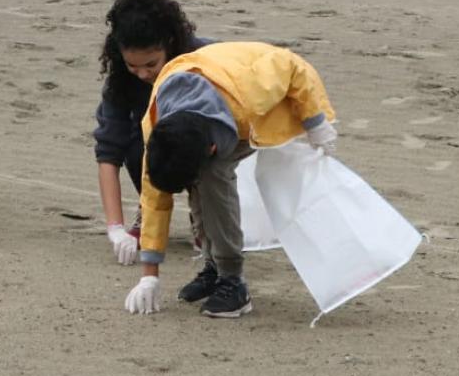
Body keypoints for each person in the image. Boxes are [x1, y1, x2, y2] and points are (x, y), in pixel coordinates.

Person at [122, 42, 339, 319]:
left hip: (265, 103)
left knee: (212, 179)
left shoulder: (252, 92)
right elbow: (154, 199)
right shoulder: (156, 130)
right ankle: (213, 268)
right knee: (199, 183)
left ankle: (233, 283)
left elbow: (290, 65)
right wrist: (149, 275)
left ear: (212, 148)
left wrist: (315, 121)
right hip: (207, 109)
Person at [94, 0, 212, 263]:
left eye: (151, 64)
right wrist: (115, 227)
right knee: (137, 143)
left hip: (211, 147)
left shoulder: (206, 58)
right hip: (154, 146)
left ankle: (205, 215)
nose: (143, 74)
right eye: (133, 66)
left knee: (207, 143)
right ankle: (147, 209)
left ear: (170, 44)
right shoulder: (121, 80)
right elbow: (108, 150)